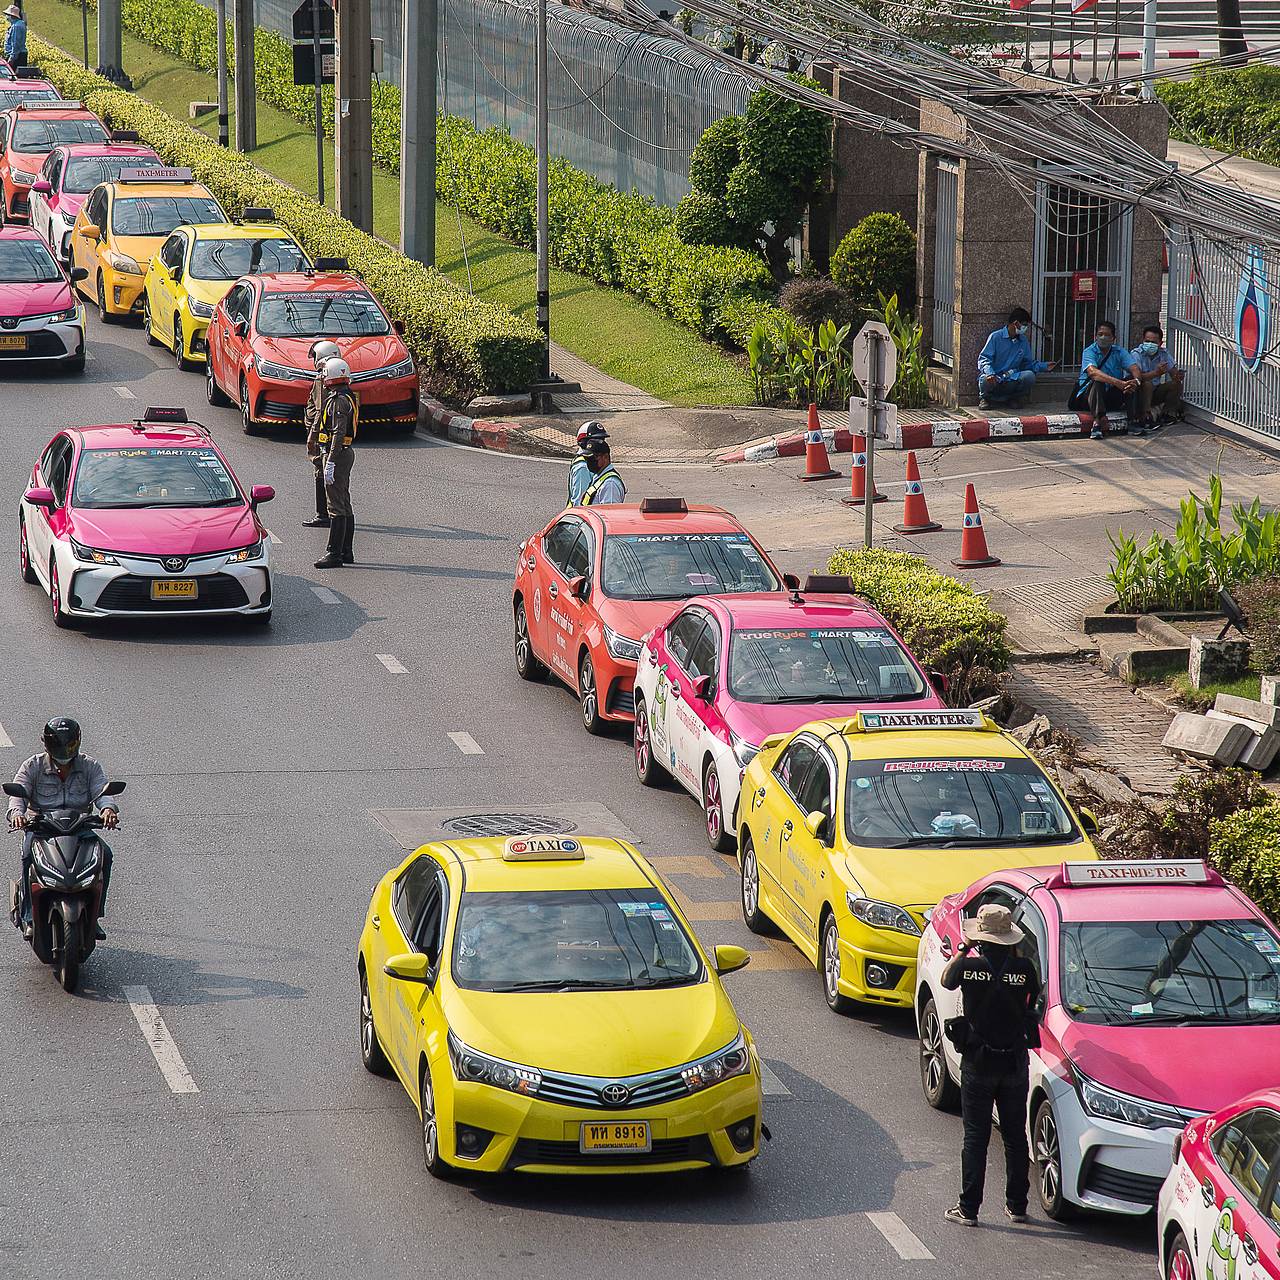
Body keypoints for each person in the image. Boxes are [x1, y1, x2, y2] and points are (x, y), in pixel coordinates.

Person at [940, 903, 1040, 1228]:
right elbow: (1034, 993)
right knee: (1015, 1137)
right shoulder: (1024, 969)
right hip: (1014, 1063)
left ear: (980, 937)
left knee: (975, 1137)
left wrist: (963, 949)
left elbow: (946, 980)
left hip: (978, 1064)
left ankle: (968, 1209)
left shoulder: (969, 967)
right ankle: (1018, 1206)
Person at [7, 718, 119, 939]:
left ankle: (95, 916)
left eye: (68, 745)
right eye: (59, 745)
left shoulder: (90, 766)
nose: (64, 751)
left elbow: (102, 792)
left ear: (77, 743)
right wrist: (17, 815)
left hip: (79, 828)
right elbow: (17, 794)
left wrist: (108, 810)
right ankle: (29, 916)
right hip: (43, 828)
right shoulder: (33, 766)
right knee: (27, 854)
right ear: (46, 744)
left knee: (105, 854)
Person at [314, 357, 359, 569]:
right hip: (342, 453)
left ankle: (334, 553)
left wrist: (330, 460)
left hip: (337, 454)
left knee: (335, 505)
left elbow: (338, 432)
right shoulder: (345, 396)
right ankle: (346, 551)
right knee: (344, 500)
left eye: (325, 374)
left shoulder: (339, 400)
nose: (322, 377)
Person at [1069, 320, 1140, 439]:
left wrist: (1135, 381)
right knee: (1098, 380)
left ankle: (1133, 421)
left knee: (1131, 382)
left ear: (1113, 338)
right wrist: (1118, 383)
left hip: (1109, 396)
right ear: (1095, 336)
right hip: (1088, 397)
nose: (1103, 337)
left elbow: (1135, 368)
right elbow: (1093, 372)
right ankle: (1097, 423)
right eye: (1100, 334)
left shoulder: (1119, 352)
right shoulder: (1089, 351)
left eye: (1107, 335)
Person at [976, 308, 1054, 410]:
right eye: (1024, 324)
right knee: (985, 380)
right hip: (994, 378)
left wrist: (1044, 366)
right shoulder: (995, 337)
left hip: (1011, 378)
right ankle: (985, 399)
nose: (1025, 328)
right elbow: (984, 359)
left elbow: (1026, 364)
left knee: (1029, 376)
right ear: (1016, 323)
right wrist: (990, 373)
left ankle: (1013, 398)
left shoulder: (1023, 341)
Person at [303, 339, 341, 528]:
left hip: (323, 434)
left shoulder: (322, 381)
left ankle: (323, 514)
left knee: (320, 469)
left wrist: (313, 436)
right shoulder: (339, 378)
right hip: (331, 433)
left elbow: (319, 411)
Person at [1132, 323, 1185, 431]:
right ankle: (1146, 415)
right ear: (1143, 340)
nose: (1150, 344)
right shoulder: (1136, 354)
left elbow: (1173, 373)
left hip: (1156, 391)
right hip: (1139, 392)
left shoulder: (1163, 354)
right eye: (1147, 341)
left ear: (1160, 343)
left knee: (1175, 385)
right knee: (1147, 384)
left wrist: (1177, 375)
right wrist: (1156, 373)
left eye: (1153, 342)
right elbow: (1138, 377)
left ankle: (1167, 414)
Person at [581, 432, 625, 505]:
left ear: (605, 457)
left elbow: (610, 514)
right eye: (587, 458)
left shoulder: (610, 484)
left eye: (593, 457)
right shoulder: (599, 475)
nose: (589, 461)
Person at [566, 421, 604, 507]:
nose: (601, 443)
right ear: (583, 442)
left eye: (602, 440)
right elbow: (578, 502)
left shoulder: (593, 461)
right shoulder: (583, 467)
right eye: (596, 440)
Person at [4, 4, 27, 68]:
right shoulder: (19, 24)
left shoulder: (16, 26)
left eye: (7, 15)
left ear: (11, 16)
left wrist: (12, 58)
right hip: (18, 55)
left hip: (17, 57)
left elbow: (15, 43)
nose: (6, 16)